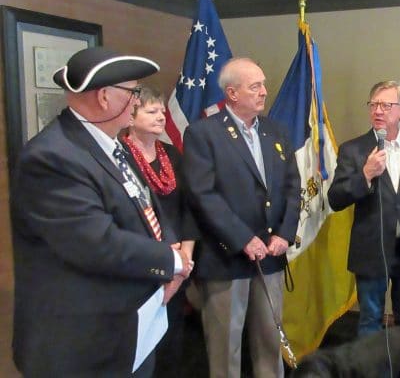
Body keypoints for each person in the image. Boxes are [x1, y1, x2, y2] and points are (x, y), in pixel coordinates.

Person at [11, 47, 193, 377]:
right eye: (133, 91)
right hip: (81, 345)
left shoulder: (112, 144)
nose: (138, 101)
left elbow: (147, 205)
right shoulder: (52, 157)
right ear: (105, 97)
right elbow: (96, 243)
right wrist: (172, 261)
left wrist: (173, 252)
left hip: (127, 330)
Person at [182, 57, 301, 378]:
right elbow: (203, 195)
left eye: (263, 84)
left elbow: (293, 186)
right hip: (226, 258)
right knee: (226, 347)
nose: (265, 91)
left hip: (272, 256)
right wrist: (243, 238)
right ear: (232, 94)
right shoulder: (203, 134)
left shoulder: (276, 131)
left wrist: (284, 234)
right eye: (255, 86)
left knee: (269, 342)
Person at [327, 80, 400, 336]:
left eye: (386, 105)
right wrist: (365, 175)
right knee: (370, 318)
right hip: (371, 249)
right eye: (374, 105)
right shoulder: (353, 150)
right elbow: (335, 199)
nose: (378, 111)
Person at [120, 86, 199, 377]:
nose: (160, 116)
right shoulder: (119, 157)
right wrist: (169, 258)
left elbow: (189, 206)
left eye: (162, 111)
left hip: (180, 264)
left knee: (172, 347)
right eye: (151, 111)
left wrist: (185, 259)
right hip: (143, 268)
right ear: (130, 116)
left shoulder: (171, 154)